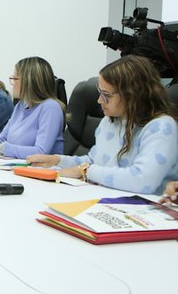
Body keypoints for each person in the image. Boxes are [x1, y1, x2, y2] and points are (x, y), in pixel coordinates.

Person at [28, 56, 178, 194]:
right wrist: (57, 161)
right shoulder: (110, 120)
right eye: (100, 92)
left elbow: (143, 180)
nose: (99, 100)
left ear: (132, 95)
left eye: (106, 95)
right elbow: (94, 161)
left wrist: (86, 171)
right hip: (109, 198)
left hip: (145, 207)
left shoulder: (161, 127)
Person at [0, 56, 64, 158]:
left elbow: (41, 152)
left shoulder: (51, 108)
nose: (12, 84)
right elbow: (3, 138)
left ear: (29, 81)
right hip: (19, 164)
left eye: (14, 79)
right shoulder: (20, 105)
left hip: (43, 167)